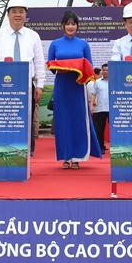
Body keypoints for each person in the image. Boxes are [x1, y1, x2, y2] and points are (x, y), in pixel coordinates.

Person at [0, 0, 46, 154]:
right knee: (5, 120)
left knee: (26, 120)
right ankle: (4, 150)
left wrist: (39, 86)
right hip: (3, 86)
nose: (17, 15)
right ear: (8, 15)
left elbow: (39, 62)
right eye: (14, 12)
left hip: (26, 84)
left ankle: (26, 153)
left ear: (26, 15)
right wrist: (3, 66)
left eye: (21, 12)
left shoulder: (33, 36)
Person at [48, 10, 102, 168]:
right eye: (68, 24)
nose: (70, 26)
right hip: (62, 85)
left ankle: (78, 156)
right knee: (63, 121)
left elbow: (89, 66)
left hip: (78, 86)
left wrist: (77, 69)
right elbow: (51, 65)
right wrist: (65, 66)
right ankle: (66, 157)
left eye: (73, 24)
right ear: (62, 26)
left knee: (78, 120)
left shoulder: (83, 44)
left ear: (77, 26)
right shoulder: (55, 44)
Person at [89, 63, 110, 152]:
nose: (105, 72)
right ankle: (100, 147)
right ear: (101, 71)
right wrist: (91, 106)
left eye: (107, 70)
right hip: (99, 108)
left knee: (114, 129)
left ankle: (116, 147)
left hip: (112, 109)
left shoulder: (115, 81)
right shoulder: (97, 82)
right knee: (99, 129)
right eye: (104, 70)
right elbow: (93, 94)